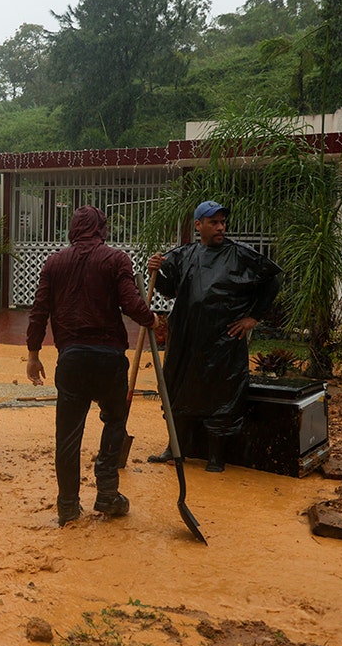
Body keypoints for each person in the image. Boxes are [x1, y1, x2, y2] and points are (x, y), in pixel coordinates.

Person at [26, 206, 158, 527]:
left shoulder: (53, 263)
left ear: (73, 229)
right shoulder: (116, 259)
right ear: (102, 229)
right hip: (109, 358)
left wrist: (33, 354)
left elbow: (39, 311)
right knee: (115, 420)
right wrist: (151, 318)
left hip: (71, 360)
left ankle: (68, 506)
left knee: (67, 435)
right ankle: (107, 493)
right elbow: (130, 303)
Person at [146, 200, 282, 472]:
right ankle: (175, 448)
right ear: (199, 226)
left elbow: (273, 279)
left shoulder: (240, 255)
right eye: (214, 222)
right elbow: (170, 289)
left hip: (222, 341)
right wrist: (155, 272)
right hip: (186, 340)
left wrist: (253, 317)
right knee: (177, 390)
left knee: (221, 395)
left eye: (222, 222)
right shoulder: (184, 255)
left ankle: (216, 456)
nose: (221, 227)